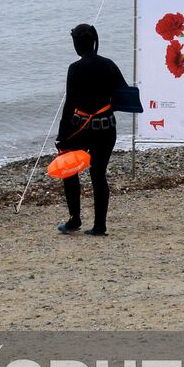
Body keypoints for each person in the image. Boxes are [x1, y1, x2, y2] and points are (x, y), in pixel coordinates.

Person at [54, 23, 127, 237]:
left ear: (77, 43)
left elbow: (70, 104)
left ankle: (74, 219)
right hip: (107, 129)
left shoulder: (75, 68)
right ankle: (99, 226)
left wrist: (62, 136)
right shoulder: (109, 65)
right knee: (98, 174)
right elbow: (123, 94)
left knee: (69, 170)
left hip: (82, 128)